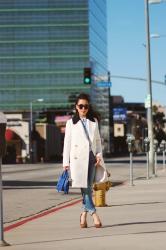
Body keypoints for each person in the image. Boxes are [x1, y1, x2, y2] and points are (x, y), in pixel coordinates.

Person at [63, 93, 107, 228]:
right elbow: (67, 143)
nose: (83, 109)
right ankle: (94, 214)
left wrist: (99, 154)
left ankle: (83, 215)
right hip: (77, 160)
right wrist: (66, 162)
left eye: (86, 106)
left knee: (88, 188)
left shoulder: (94, 121)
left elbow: (98, 141)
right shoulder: (71, 123)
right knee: (86, 188)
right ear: (76, 107)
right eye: (80, 106)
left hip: (92, 159)